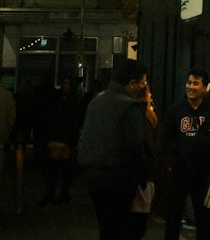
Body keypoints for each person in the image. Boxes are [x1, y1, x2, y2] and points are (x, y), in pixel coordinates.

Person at [77, 56, 154, 240]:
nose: (144, 85)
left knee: (108, 228)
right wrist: (142, 178)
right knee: (123, 229)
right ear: (132, 83)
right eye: (143, 82)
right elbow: (136, 147)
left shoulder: (96, 101)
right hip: (119, 180)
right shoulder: (129, 106)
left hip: (94, 177)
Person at [159, 69, 210, 240]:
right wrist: (168, 163)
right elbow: (165, 138)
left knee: (204, 217)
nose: (190, 87)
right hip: (179, 170)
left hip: (204, 172)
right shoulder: (176, 110)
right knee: (173, 216)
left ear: (205, 87)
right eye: (189, 82)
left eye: (195, 83)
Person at [39, 74, 81, 203]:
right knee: (63, 167)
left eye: (67, 83)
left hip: (61, 135)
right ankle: (62, 194)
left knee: (56, 166)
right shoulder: (71, 100)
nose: (64, 86)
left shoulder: (62, 100)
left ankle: (55, 193)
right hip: (64, 136)